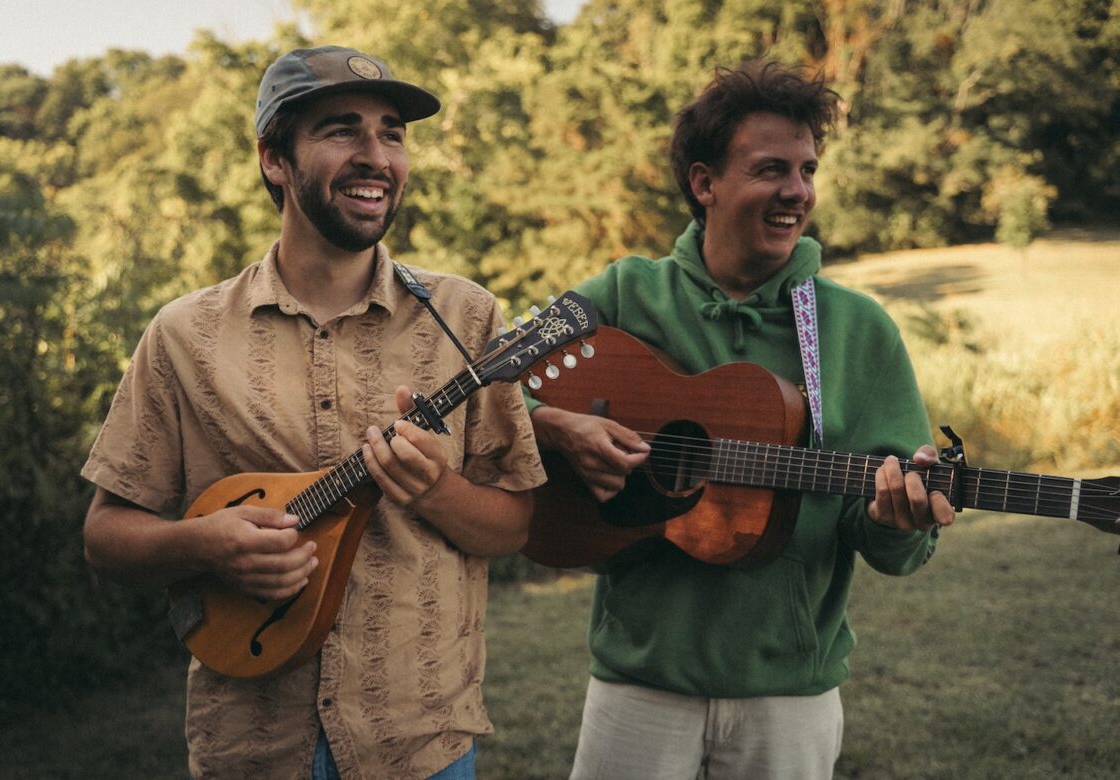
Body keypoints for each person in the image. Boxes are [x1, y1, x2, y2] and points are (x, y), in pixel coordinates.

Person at [81, 45, 546, 779]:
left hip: (419, 747)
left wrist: (436, 490)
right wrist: (205, 545)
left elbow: (514, 525)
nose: (376, 157)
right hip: (251, 747)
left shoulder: (466, 318)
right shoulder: (184, 334)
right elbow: (105, 537)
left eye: (392, 133)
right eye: (341, 130)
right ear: (274, 159)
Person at [526, 60, 957, 779]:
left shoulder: (858, 330)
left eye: (807, 169)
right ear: (705, 183)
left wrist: (896, 520)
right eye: (770, 169)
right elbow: (487, 382)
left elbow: (891, 547)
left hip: (789, 696)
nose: (797, 191)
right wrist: (554, 425)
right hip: (638, 680)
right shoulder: (626, 293)